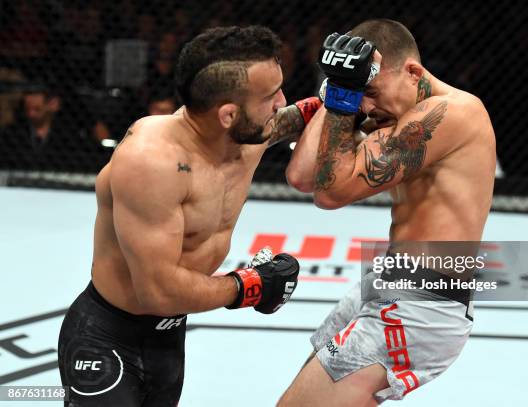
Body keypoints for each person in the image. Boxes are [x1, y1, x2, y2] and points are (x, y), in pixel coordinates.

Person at [57, 25, 322, 406]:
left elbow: (293, 117)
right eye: (270, 95)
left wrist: (338, 96)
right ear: (228, 114)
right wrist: (250, 286)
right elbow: (158, 291)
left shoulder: (244, 134)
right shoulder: (153, 162)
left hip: (168, 339)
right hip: (107, 338)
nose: (282, 101)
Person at [280, 19, 496, 405]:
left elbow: (331, 195)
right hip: (387, 284)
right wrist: (334, 90)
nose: (366, 106)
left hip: (421, 302)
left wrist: (344, 98)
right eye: (360, 95)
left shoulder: (455, 113)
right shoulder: (395, 114)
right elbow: (302, 176)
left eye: (372, 91)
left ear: (413, 72)